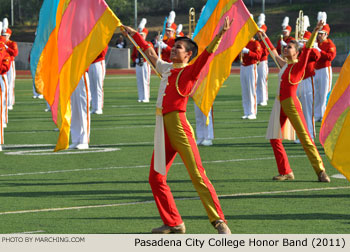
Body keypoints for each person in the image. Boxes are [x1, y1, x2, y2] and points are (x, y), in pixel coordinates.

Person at [122, 16, 232, 234]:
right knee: (156, 178)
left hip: (179, 127)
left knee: (198, 175)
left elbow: (206, 57)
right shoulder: (166, 68)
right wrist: (134, 34)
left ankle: (219, 221)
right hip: (162, 128)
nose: (173, 50)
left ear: (188, 54)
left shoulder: (189, 71)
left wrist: (219, 35)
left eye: (179, 48)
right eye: (173, 47)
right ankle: (173, 222)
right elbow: (151, 53)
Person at [260, 20, 330, 182]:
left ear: (297, 52)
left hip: (291, 104)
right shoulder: (284, 65)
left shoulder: (299, 66)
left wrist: (315, 31)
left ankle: (320, 171)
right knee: (274, 138)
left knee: (305, 137)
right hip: (280, 104)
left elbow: (306, 50)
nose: (285, 48)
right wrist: (264, 37)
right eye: (285, 46)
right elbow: (273, 52)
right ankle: (286, 171)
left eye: (289, 47)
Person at [295, 17, 320, 143]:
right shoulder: (297, 48)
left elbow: (316, 56)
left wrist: (307, 46)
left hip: (308, 79)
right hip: (297, 80)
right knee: (298, 109)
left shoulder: (313, 50)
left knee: (308, 109)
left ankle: (309, 134)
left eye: (306, 41)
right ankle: (300, 135)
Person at [314, 12, 336, 122]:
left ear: (326, 34)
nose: (319, 35)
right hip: (316, 70)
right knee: (317, 93)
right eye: (319, 33)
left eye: (322, 33)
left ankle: (324, 115)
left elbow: (330, 57)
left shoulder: (330, 44)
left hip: (324, 70)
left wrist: (319, 51)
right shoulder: (316, 42)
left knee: (324, 93)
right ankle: (317, 114)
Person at [240, 34, 262, 120]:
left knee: (251, 90)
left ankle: (252, 112)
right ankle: (246, 112)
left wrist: (248, 51)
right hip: (243, 66)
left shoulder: (256, 43)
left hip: (251, 66)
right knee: (244, 90)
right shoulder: (243, 43)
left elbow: (258, 56)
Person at [131, 18, 151, 103]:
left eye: (142, 35)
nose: (141, 37)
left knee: (145, 80)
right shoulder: (136, 45)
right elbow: (133, 56)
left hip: (145, 64)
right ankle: (141, 97)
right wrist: (135, 60)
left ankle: (146, 97)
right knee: (139, 80)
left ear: (145, 35)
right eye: (139, 35)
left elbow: (150, 54)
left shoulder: (148, 44)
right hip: (138, 64)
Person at [69, 71, 91, 149]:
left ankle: (84, 141)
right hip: (71, 72)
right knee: (74, 108)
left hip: (81, 71)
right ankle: (76, 139)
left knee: (83, 107)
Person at [2, 18, 18, 111]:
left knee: (10, 83)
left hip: (10, 64)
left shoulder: (12, 43)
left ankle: (9, 103)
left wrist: (7, 47)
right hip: (2, 64)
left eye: (6, 35)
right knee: (4, 84)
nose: (5, 37)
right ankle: (3, 102)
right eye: (3, 35)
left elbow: (15, 53)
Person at [88, 46, 108, 114]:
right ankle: (94, 107)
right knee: (92, 87)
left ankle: (99, 107)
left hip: (98, 62)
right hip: (90, 63)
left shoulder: (102, 39)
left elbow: (102, 53)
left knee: (98, 86)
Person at [256, 13, 269, 106]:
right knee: (257, 81)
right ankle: (258, 98)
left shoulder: (265, 41)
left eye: (260, 33)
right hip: (257, 62)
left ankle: (263, 99)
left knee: (262, 81)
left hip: (262, 62)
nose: (258, 34)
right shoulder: (257, 41)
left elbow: (266, 52)